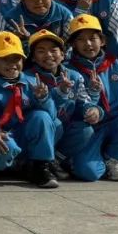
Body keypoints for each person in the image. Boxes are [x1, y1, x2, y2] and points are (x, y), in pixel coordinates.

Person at [0, 32, 60, 188]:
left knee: (42, 116)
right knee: (7, 147)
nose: (12, 64)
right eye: (5, 59)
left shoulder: (32, 83)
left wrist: (43, 99)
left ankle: (40, 166)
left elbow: (52, 117)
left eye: (16, 58)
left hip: (22, 134)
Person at [61, 15, 118, 182]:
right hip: (87, 129)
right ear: (72, 44)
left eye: (93, 38)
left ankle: (112, 161)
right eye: (81, 40)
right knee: (88, 173)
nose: (88, 44)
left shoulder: (117, 65)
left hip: (115, 123)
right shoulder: (66, 70)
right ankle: (83, 160)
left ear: (102, 41)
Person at [26, 29, 87, 181]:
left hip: (64, 130)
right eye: (41, 51)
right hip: (40, 131)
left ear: (63, 55)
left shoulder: (74, 76)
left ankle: (55, 160)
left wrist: (93, 109)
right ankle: (37, 162)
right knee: (45, 118)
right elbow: (43, 115)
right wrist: (57, 93)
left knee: (85, 130)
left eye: (54, 50)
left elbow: (84, 103)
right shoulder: (27, 78)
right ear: (33, 57)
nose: (48, 55)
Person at [3, 0, 74, 44]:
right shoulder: (11, 19)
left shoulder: (65, 15)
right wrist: (21, 40)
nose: (39, 1)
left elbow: (70, 45)